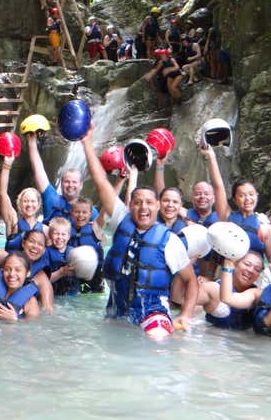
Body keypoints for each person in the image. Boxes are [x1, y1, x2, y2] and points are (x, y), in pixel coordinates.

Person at [81, 128, 197, 337]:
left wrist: (187, 314)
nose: (143, 207)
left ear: (158, 206)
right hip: (118, 310)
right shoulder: (120, 220)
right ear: (130, 205)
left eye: (149, 203)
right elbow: (100, 183)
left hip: (154, 312)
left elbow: (191, 281)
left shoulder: (169, 241)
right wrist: (87, 143)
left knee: (156, 340)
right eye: (137, 202)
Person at [200, 143, 271, 258]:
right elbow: (218, 187)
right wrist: (211, 156)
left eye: (251, 194)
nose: (248, 199)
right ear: (235, 200)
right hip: (229, 271)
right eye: (242, 195)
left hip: (252, 272)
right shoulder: (227, 216)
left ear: (257, 196)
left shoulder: (265, 227)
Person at [26, 132, 98, 224]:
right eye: (67, 181)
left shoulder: (89, 211)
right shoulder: (51, 198)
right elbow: (38, 170)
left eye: (74, 182)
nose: (70, 185)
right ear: (61, 183)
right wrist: (31, 142)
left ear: (81, 185)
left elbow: (100, 233)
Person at [0, 229, 54, 314]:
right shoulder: (8, 260)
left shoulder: (42, 279)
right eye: (32, 241)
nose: (35, 246)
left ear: (44, 250)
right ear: (23, 243)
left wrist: (18, 320)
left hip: (18, 316)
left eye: (40, 244)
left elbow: (48, 312)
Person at [198, 251, 264, 330]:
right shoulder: (214, 288)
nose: (251, 270)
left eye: (256, 269)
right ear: (235, 264)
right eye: (247, 264)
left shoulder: (258, 295)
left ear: (259, 275)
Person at [0, 153, 45, 252]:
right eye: (25, 201)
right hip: (12, 266)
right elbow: (2, 193)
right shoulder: (13, 220)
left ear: (38, 205)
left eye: (33, 201)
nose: (29, 205)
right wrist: (6, 166)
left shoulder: (45, 229)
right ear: (20, 204)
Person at [68, 197, 105, 293]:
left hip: (94, 279)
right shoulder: (65, 231)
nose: (80, 215)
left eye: (84, 212)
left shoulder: (96, 229)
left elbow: (107, 210)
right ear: (71, 213)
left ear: (90, 214)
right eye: (77, 212)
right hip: (73, 278)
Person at [46, 217, 79, 296]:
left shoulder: (74, 252)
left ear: (68, 236)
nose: (59, 237)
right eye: (56, 234)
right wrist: (61, 272)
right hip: (55, 295)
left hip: (73, 295)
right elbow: (43, 280)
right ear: (50, 235)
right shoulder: (46, 253)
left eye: (63, 234)